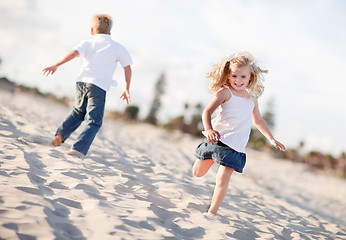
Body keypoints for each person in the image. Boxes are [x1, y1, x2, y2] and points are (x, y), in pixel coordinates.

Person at [193, 52, 285, 216]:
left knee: (223, 179)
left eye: (243, 76)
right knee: (198, 173)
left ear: (250, 77)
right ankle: (205, 158)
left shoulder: (252, 97)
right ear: (228, 75)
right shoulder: (225, 92)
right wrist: (208, 129)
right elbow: (207, 112)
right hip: (217, 140)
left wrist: (271, 139)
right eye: (234, 76)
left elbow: (258, 120)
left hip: (235, 146)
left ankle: (212, 213)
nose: (238, 80)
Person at [43, 14, 132, 158]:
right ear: (110, 31)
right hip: (98, 86)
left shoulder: (87, 43)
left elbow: (73, 53)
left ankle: (60, 135)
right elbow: (127, 67)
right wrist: (126, 88)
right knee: (94, 121)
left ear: (92, 30)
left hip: (81, 82)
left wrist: (56, 64)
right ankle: (78, 149)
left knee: (78, 112)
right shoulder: (117, 47)